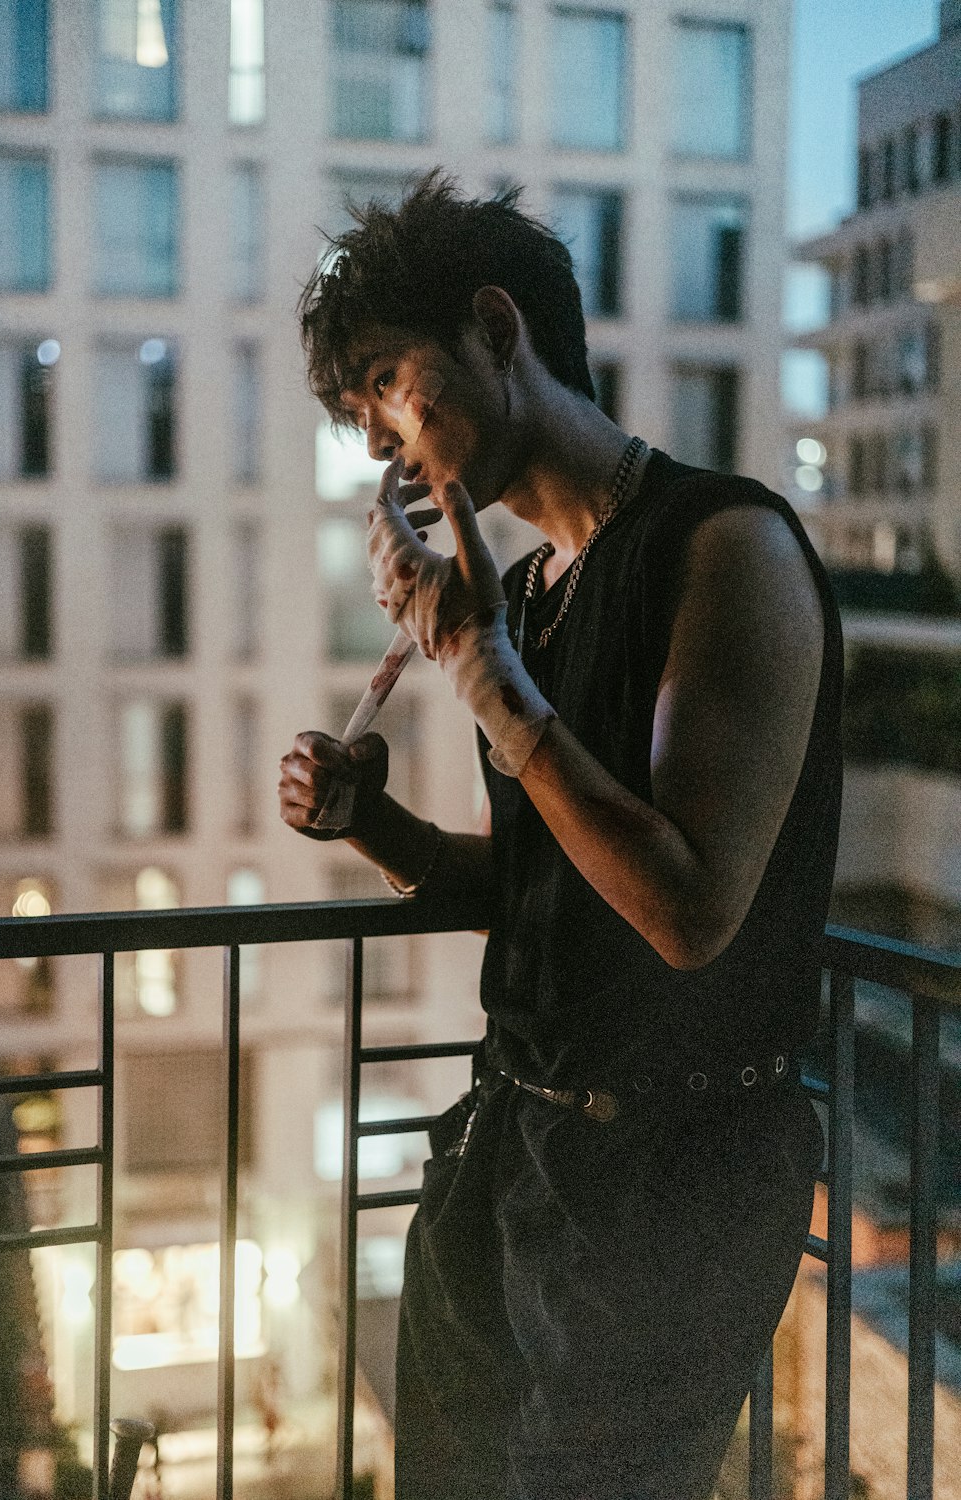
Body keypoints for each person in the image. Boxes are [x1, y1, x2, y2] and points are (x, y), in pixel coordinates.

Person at [279, 173, 843, 1500]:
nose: (377, 443)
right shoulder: (529, 595)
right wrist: (379, 825)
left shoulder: (728, 547)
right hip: (510, 1150)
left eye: (387, 386)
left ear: (495, 328)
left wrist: (486, 678)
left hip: (668, 1188)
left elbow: (687, 910)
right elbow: (544, 885)